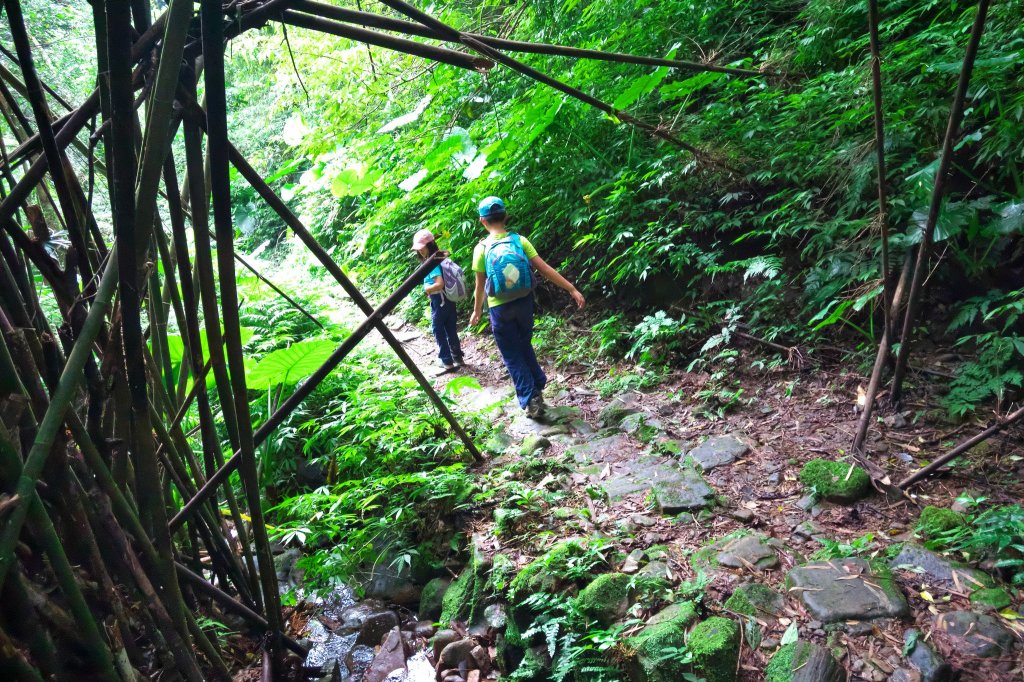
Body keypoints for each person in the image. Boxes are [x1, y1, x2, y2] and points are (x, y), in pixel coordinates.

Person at [469, 196, 585, 419]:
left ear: (482, 221)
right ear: (506, 216)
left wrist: (476, 311)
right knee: (524, 344)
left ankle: (531, 398)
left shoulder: (481, 248)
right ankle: (537, 384)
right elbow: (545, 269)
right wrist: (571, 289)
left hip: (499, 310)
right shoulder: (519, 240)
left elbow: (480, 286)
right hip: (524, 303)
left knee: (512, 354)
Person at [411, 229, 464, 371]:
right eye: (419, 248)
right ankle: (457, 357)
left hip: (439, 300)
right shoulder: (441, 257)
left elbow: (439, 283)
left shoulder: (432, 263)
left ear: (430, 244)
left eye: (423, 247)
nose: (421, 250)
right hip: (449, 299)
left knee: (438, 329)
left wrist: (427, 289)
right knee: (450, 328)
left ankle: (446, 361)